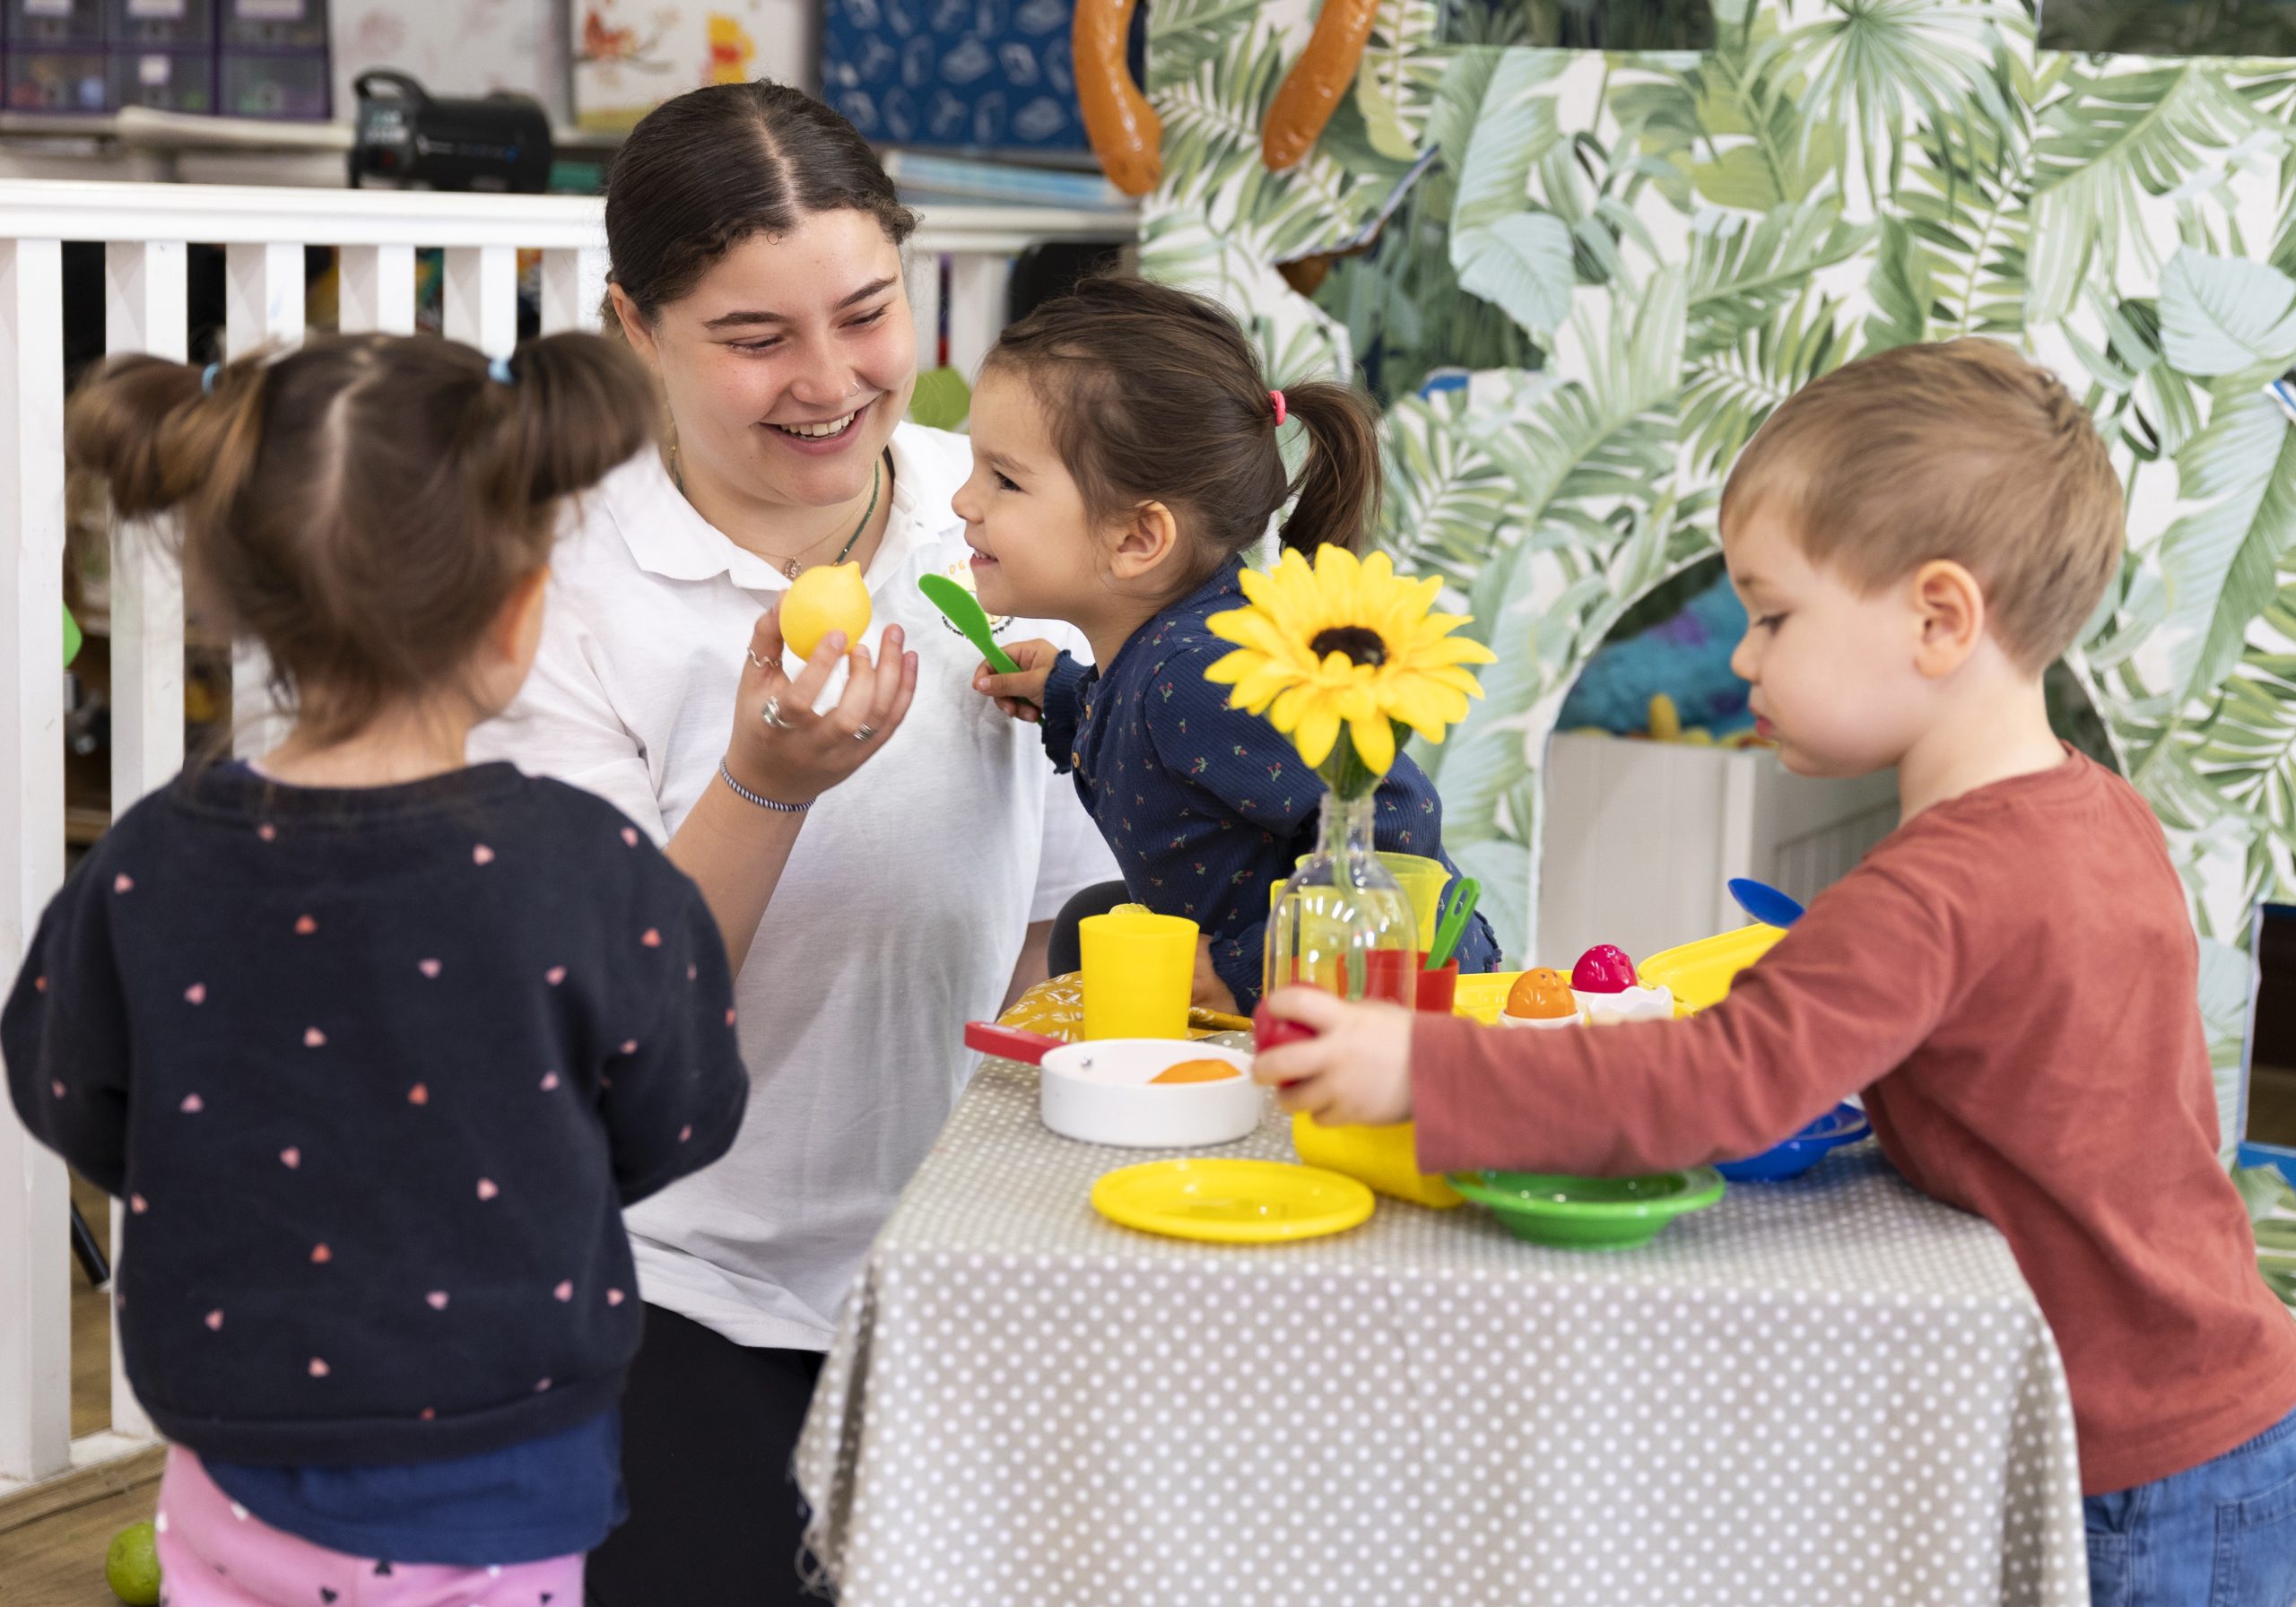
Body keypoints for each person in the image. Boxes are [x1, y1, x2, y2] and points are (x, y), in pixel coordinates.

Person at [1252, 339, 2296, 1607]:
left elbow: (1719, 1083)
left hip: (2134, 1469)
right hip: (2226, 1414)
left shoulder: (1934, 891)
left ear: (1939, 618)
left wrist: (1420, 1063)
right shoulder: (2097, 815)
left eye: (1775, 615)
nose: (1743, 660)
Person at [4, 329, 904, 1603]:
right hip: (508, 1471)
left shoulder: (146, 860)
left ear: (237, 601)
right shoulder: (581, 867)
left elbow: (69, 1086)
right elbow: (685, 1108)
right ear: (518, 609)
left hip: (228, 1456)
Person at [464, 82, 1117, 1603]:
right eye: (755, 338)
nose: (828, 382)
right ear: (637, 327)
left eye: (866, 313)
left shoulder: (1001, 530)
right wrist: (764, 787)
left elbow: (1055, 930)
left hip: (954, 1272)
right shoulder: (556, 586)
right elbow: (600, 1018)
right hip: (671, 1283)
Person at [964, 275, 1500, 1011]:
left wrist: (1249, 971)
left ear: (1136, 538)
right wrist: (1067, 694)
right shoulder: (1161, 659)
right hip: (1278, 972)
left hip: (1383, 1001)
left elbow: (1391, 819)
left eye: (1003, 481)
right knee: (1088, 926)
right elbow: (1179, 755)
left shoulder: (1200, 672)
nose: (965, 502)